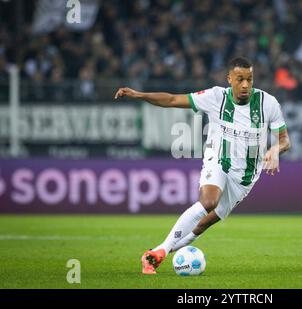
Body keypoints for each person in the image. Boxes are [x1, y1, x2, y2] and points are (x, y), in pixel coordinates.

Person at [114, 57, 291, 274]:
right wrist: (139, 95)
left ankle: (155, 252)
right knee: (208, 201)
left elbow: (285, 140)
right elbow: (171, 100)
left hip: (244, 177)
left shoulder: (268, 103)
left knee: (203, 223)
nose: (245, 84)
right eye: (240, 79)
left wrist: (275, 149)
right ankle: (157, 254)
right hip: (218, 159)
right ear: (230, 79)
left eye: (249, 79)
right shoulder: (216, 97)